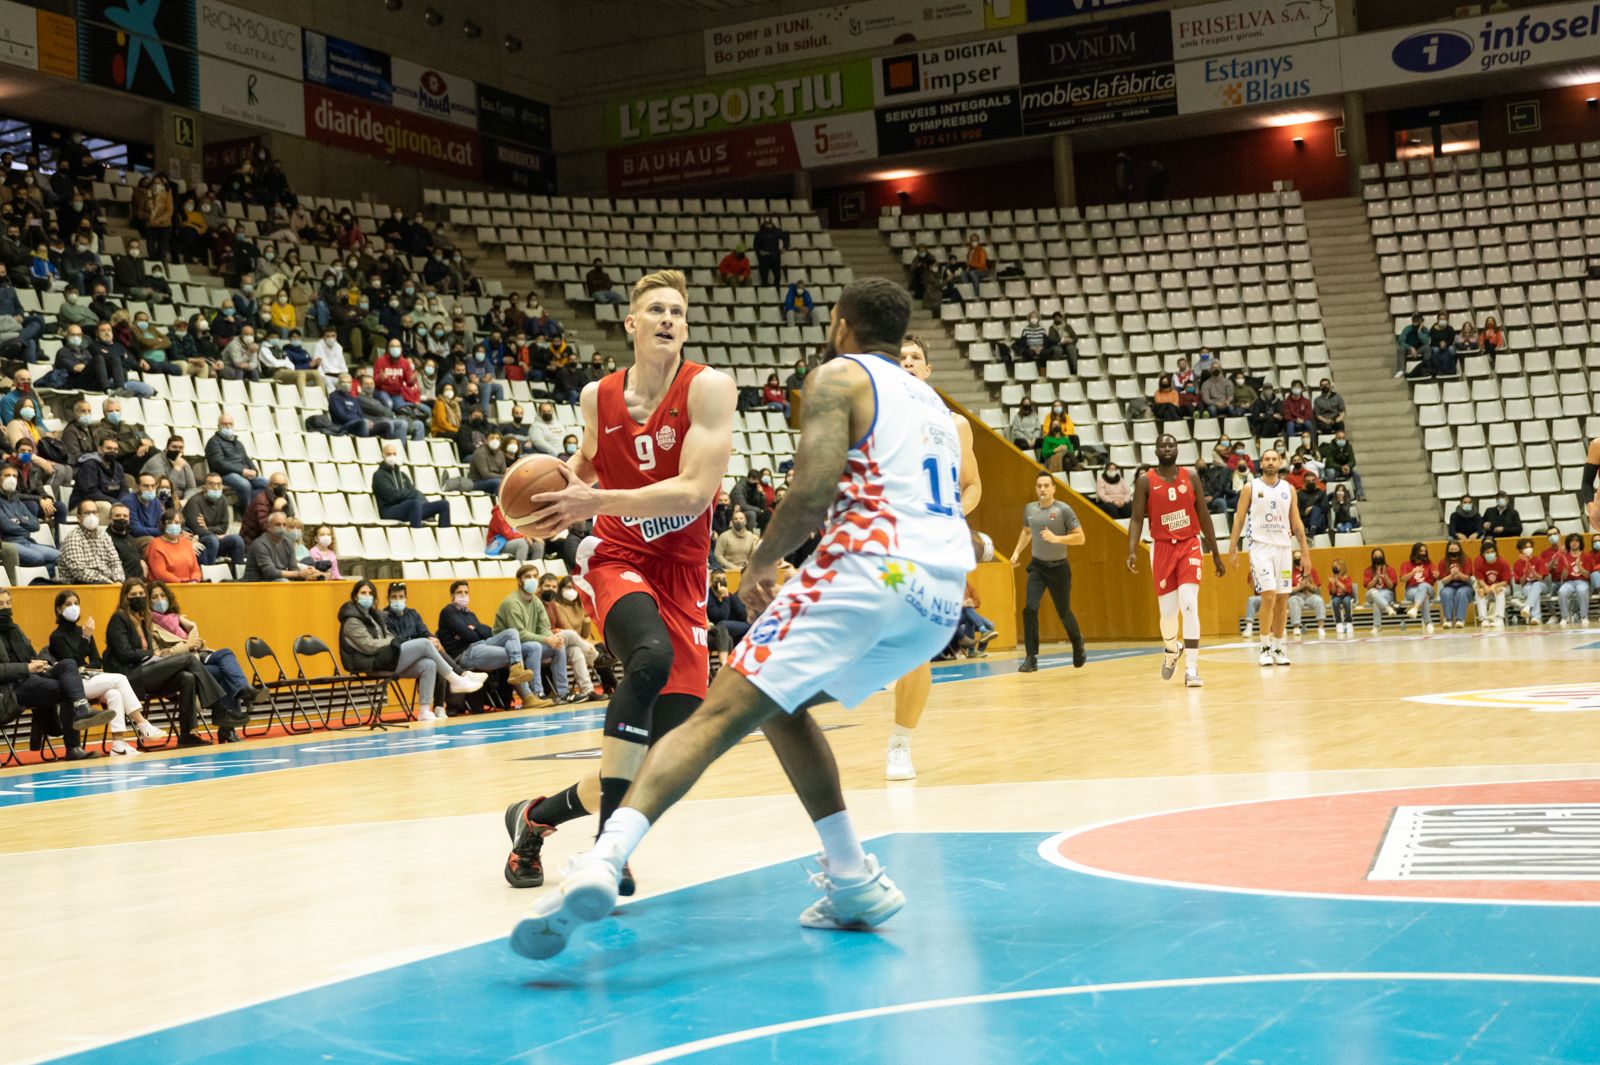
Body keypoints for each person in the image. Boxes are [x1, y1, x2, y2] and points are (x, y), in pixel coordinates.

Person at [509, 276, 975, 962]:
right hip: (938, 593)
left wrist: (762, 561)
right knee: (775, 704)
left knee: (711, 719)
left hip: (867, 571)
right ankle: (852, 877)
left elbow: (812, 487)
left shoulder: (835, 375)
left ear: (841, 324)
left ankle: (604, 861)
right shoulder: (931, 399)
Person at [496, 269, 737, 897]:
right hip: (617, 552)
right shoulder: (595, 397)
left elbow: (694, 491)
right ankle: (610, 850)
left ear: (685, 327)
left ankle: (536, 817)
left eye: (677, 312)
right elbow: (585, 465)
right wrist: (545, 502)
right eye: (655, 309)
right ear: (630, 323)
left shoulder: (708, 389)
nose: (667, 320)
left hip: (683, 572)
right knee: (649, 661)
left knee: (663, 756)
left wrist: (592, 493)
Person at [884, 334, 980, 781]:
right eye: (899, 357)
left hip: (930, 544)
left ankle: (900, 743)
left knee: (917, 650)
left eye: (915, 358)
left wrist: (955, 512)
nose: (906, 362)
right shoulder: (878, 419)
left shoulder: (956, 426)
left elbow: (973, 485)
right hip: (886, 541)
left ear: (927, 369)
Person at [1125, 433, 1226, 687]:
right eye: (1163, 445)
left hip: (1189, 545)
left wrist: (1215, 552)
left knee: (1189, 603)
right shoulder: (1145, 481)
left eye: (1172, 444)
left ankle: (1192, 667)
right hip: (1161, 549)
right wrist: (1132, 550)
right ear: (1156, 450)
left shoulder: (1190, 476)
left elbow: (1203, 515)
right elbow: (1137, 518)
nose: (1168, 448)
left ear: (1177, 449)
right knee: (1168, 615)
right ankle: (1172, 649)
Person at [104, 577, 243, 747]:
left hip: (147, 671)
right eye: (134, 594)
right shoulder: (119, 618)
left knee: (187, 677)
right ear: (126, 598)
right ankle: (220, 709)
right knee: (188, 659)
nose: (139, 597)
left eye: (141, 593)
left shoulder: (143, 619)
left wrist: (151, 654)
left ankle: (187, 735)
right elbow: (124, 654)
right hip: (129, 677)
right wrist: (151, 653)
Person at [340, 579, 484, 723]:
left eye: (370, 593)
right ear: (355, 596)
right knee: (425, 644)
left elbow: (389, 637)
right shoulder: (352, 620)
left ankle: (424, 711)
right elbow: (369, 645)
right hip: (371, 663)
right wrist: (398, 642)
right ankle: (456, 679)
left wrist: (396, 642)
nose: (367, 596)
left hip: (385, 658)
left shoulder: (374, 616)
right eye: (363, 593)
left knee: (429, 664)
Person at [0, 587, 110, 760]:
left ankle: (82, 706)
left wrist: (38, 663)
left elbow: (29, 655)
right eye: (1, 604)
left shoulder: (14, 629)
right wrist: (26, 668)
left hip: (32, 676)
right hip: (12, 687)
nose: (6, 607)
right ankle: (73, 746)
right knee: (68, 689)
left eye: (8, 603)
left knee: (68, 664)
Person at [145, 581, 264, 739]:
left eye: (162, 595)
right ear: (148, 601)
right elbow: (158, 655)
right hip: (182, 666)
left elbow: (192, 641)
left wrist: (200, 643)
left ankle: (242, 694)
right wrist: (187, 646)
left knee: (226, 653)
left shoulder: (178, 619)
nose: (160, 600)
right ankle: (230, 724)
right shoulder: (150, 626)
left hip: (198, 656)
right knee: (222, 673)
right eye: (154, 597)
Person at [50, 590, 162, 753]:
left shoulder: (84, 631)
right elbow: (71, 664)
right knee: (120, 679)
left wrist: (86, 652)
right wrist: (85, 639)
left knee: (115, 693)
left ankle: (118, 744)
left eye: (76, 603)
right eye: (68, 604)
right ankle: (142, 723)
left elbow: (96, 660)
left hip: (91, 677)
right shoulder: (57, 637)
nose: (74, 607)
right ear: (59, 609)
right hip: (75, 685)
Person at [1227, 449, 1310, 666]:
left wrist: (1305, 552)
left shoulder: (1289, 489)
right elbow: (1238, 519)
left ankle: (1278, 647)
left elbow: (1297, 522)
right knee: (1269, 595)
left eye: (1274, 459)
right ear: (1261, 463)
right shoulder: (1250, 487)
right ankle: (1264, 647)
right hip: (1261, 549)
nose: (1271, 462)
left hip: (1284, 549)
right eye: (1267, 459)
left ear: (1280, 462)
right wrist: (1232, 547)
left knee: (1283, 599)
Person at [1008, 471, 1086, 673]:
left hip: (1059, 568)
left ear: (1053, 488)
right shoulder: (1030, 509)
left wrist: (1057, 538)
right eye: (1039, 486)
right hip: (1038, 567)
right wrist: (1016, 552)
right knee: (1030, 608)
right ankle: (1031, 658)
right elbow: (1027, 532)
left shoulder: (1063, 510)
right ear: (1036, 489)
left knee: (1063, 611)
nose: (1042, 489)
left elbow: (1080, 538)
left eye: (1046, 485)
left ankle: (1078, 643)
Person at [437, 579, 539, 699]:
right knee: (511, 653)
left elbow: (488, 633)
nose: (464, 595)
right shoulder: (448, 611)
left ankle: (517, 669)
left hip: (481, 645)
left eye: (466, 592)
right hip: (464, 654)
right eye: (460, 592)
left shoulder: (471, 615)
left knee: (512, 633)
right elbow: (471, 636)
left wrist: (473, 628)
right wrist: (474, 631)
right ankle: (528, 696)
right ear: (452, 596)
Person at [495, 565, 577, 706]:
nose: (532, 579)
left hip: (528, 643)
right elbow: (518, 634)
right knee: (535, 647)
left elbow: (543, 628)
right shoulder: (511, 603)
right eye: (527, 577)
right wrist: (546, 639)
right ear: (519, 581)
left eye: (535, 576)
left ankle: (563, 693)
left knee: (559, 644)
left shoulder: (536, 601)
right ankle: (537, 693)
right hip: (509, 646)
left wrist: (552, 639)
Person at [182, 472, 246, 577]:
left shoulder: (223, 500)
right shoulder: (194, 502)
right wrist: (212, 532)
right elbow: (198, 530)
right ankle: (208, 577)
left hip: (215, 540)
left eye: (219, 484)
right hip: (197, 542)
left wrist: (207, 528)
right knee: (212, 539)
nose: (216, 487)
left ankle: (239, 578)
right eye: (212, 484)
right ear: (204, 487)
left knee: (237, 540)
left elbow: (224, 527)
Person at [374, 442, 451, 527]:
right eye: (389, 454)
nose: (392, 456)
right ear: (383, 455)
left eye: (394, 454)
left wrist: (415, 497)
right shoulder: (378, 475)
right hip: (389, 510)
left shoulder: (402, 475)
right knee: (414, 503)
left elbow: (413, 492)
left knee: (444, 504)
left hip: (408, 507)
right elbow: (392, 496)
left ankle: (444, 537)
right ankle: (418, 536)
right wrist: (410, 494)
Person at [0, 462, 56, 572]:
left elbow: (35, 525)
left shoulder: (16, 500)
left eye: (14, 476)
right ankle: (29, 577)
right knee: (38, 558)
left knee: (60, 557)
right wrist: (24, 521)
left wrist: (19, 520)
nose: (11, 479)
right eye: (7, 475)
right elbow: (6, 526)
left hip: (26, 542)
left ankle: (33, 577)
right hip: (9, 543)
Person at [243, 512, 322, 581]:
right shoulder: (260, 544)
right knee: (284, 582)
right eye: (278, 525)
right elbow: (270, 572)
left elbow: (293, 567)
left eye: (284, 525)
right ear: (268, 527)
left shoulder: (288, 543)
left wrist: (308, 574)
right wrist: (299, 574)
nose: (282, 528)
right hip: (255, 584)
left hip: (275, 581)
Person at [205, 414, 266, 505]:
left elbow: (246, 459)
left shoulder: (238, 443)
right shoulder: (214, 442)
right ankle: (244, 511)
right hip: (225, 474)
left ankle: (249, 505)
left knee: (268, 484)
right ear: (219, 426)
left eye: (230, 424)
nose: (228, 426)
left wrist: (254, 471)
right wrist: (242, 471)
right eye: (225, 424)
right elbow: (218, 464)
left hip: (243, 473)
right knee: (245, 485)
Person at [144, 508, 204, 583]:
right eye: (169, 522)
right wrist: (182, 583)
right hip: (166, 588)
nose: (173, 525)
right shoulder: (155, 544)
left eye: (177, 522)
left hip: (189, 586)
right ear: (163, 525)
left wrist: (194, 581)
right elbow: (160, 573)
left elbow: (195, 568)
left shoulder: (187, 543)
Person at [704, 570, 748, 657]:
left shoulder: (730, 596)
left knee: (748, 627)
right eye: (718, 579)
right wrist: (725, 598)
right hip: (715, 631)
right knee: (722, 625)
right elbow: (722, 617)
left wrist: (727, 597)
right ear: (711, 582)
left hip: (729, 629)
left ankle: (739, 657)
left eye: (724, 579)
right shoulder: (708, 598)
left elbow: (743, 614)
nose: (721, 581)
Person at [1285, 547, 1326, 637]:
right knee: (1293, 601)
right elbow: (1286, 589)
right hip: (1296, 595)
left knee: (1319, 600)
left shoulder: (1310, 570)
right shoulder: (1287, 571)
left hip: (1309, 595)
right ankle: (1296, 627)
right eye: (1295, 557)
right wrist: (1299, 587)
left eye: (1299, 557)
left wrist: (1308, 585)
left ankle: (1321, 627)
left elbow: (1317, 589)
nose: (1297, 559)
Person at [1436, 541, 1477, 629]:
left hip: (1465, 586)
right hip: (1449, 586)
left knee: (1461, 593)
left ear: (1459, 550)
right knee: (1445, 593)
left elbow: (1467, 578)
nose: (1453, 551)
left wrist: (1458, 574)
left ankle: (1460, 619)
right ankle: (1448, 620)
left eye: (1455, 549)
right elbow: (1443, 581)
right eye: (1451, 549)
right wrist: (1451, 576)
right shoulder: (1443, 562)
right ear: (1448, 550)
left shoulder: (1466, 560)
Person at [1552, 532, 1590, 626]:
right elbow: (1564, 577)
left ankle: (1584, 617)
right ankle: (1565, 617)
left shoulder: (1586, 556)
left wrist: (1578, 566)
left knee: (1582, 591)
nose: (1574, 543)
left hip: (1582, 581)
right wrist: (1566, 567)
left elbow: (1587, 575)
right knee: (1562, 592)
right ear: (1568, 543)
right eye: (1572, 541)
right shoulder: (1563, 557)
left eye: (1577, 541)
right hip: (1569, 582)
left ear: (1580, 543)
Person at [1474, 538, 1511, 627]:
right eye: (1487, 552)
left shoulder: (1503, 563)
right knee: (1480, 592)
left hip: (1502, 586)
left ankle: (1499, 618)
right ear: (1483, 554)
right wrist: (1485, 587)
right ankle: (1483, 619)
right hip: (1487, 586)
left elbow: (1505, 582)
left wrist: (1494, 586)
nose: (1490, 554)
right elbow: (1480, 580)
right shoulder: (1480, 563)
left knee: (1499, 590)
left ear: (1496, 552)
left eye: (1492, 551)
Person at [1401, 542, 1437, 632]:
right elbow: (1403, 579)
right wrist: (1413, 572)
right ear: (1415, 552)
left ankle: (1415, 608)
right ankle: (1428, 623)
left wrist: (1437, 575)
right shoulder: (1406, 564)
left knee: (1423, 586)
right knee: (1424, 596)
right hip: (1412, 590)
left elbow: (1436, 577)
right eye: (1421, 551)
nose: (1423, 553)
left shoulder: (1430, 564)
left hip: (1428, 588)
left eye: (1424, 551)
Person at [1511, 537, 1546, 625]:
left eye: (1530, 547)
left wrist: (1532, 570)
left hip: (1541, 585)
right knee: (1530, 590)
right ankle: (1535, 617)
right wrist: (1526, 573)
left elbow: (1541, 578)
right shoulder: (1517, 563)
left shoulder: (1538, 560)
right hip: (1527, 585)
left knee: (1536, 585)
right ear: (1520, 550)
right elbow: (1520, 582)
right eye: (1526, 547)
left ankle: (1526, 606)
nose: (1529, 549)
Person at [712, 507, 759, 572]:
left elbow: (753, 554)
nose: (738, 520)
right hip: (728, 571)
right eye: (736, 519)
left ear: (745, 521)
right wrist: (733, 567)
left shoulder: (750, 535)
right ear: (732, 522)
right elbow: (718, 555)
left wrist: (748, 566)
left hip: (745, 570)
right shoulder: (724, 536)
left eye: (741, 518)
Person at [1363, 548, 1398, 633]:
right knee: (1374, 592)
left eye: (1380, 556)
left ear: (1383, 557)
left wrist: (1385, 576)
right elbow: (1368, 587)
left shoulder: (1389, 569)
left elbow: (1391, 586)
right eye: (1376, 556)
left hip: (1387, 592)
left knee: (1377, 601)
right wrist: (1375, 578)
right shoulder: (1368, 570)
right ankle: (1387, 608)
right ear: (1372, 558)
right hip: (1371, 594)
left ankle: (1377, 626)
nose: (1378, 557)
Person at [1328, 561, 1355, 634]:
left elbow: (1346, 589)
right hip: (1336, 596)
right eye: (1334, 566)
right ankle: (1338, 622)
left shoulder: (1347, 578)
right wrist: (1333, 584)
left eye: (1337, 566)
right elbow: (1333, 592)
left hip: (1346, 595)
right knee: (1335, 602)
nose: (1335, 568)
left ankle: (1348, 622)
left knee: (1346, 601)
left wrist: (1338, 583)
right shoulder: (1332, 578)